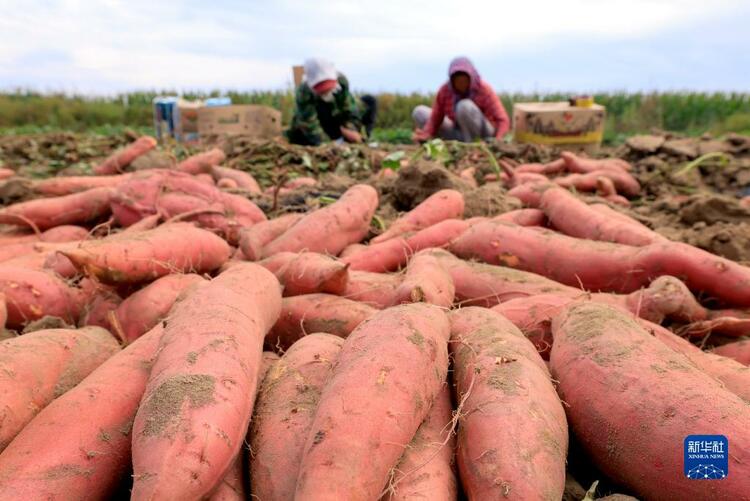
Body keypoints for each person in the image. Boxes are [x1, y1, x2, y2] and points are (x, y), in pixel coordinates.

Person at [412, 57, 510, 143]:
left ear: (471, 78)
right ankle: (444, 142)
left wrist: (498, 140)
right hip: (458, 133)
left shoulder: (483, 89)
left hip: (483, 134)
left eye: (464, 80)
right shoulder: (445, 90)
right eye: (457, 81)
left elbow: (503, 120)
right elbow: (435, 118)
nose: (461, 84)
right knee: (419, 112)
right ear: (452, 80)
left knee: (464, 106)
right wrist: (426, 133)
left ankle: (473, 145)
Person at [286, 58, 377, 146]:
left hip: (336, 118)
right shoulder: (304, 93)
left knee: (370, 101)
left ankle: (364, 138)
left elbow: (348, 109)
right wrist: (330, 145)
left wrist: (349, 130)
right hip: (322, 120)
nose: (326, 92)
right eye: (322, 90)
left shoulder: (341, 81)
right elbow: (309, 124)